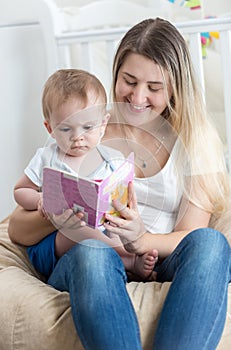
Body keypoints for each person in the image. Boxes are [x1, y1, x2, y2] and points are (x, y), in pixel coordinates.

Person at [8, 17, 231, 349]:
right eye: (129, 81)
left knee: (212, 244)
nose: (137, 97)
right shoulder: (85, 132)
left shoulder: (194, 142)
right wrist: (54, 215)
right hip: (88, 255)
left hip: (156, 257)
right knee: (93, 251)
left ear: (174, 89)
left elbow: (190, 234)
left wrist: (141, 239)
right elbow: (17, 230)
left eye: (154, 88)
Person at [13, 68, 157, 279]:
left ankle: (126, 259)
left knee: (117, 227)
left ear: (103, 124)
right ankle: (128, 258)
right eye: (65, 129)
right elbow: (20, 190)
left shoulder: (110, 158)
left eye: (87, 127)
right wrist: (39, 198)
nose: (77, 137)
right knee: (77, 230)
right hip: (54, 244)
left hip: (102, 234)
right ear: (49, 128)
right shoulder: (47, 157)